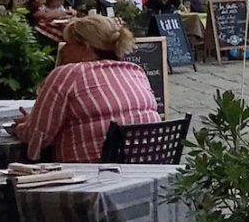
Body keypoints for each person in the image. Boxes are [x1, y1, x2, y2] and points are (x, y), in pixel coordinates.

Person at [11, 16, 160, 163]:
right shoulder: (135, 71)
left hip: (93, 174)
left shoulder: (68, 74)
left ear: (85, 47)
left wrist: (22, 127)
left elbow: (38, 136)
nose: (63, 50)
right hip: (147, 165)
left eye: (68, 44)